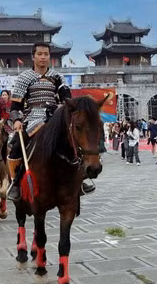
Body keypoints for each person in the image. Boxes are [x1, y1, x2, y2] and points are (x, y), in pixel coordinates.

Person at [7, 42, 94, 201]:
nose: (43, 57)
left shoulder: (57, 77)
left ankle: (80, 179)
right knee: (16, 147)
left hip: (56, 116)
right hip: (32, 117)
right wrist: (17, 120)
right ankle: (16, 182)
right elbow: (14, 106)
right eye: (39, 54)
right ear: (33, 56)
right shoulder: (24, 78)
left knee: (73, 142)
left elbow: (68, 100)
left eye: (46, 54)